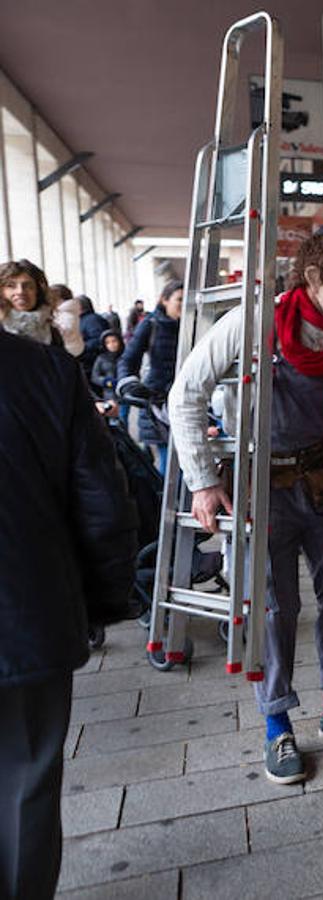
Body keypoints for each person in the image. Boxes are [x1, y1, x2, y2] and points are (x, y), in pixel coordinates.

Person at [169, 224, 323, 786]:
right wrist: (201, 481)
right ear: (315, 277)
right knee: (274, 609)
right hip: (262, 488)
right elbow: (186, 393)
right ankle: (276, 725)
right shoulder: (255, 324)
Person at [0, 329, 138, 899]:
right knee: (25, 783)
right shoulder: (44, 372)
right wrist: (100, 604)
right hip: (24, 617)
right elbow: (103, 503)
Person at [118, 280, 183, 474]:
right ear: (164, 300)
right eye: (179, 299)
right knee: (170, 464)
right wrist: (128, 385)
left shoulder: (197, 323)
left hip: (188, 401)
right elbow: (128, 359)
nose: (185, 304)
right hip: (157, 403)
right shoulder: (151, 323)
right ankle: (165, 504)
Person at [0, 259, 71, 351]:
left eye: (28, 286)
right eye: (11, 286)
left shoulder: (52, 332)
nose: (20, 291)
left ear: (38, 291)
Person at [77, 294, 109, 379]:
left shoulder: (92, 320)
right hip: (89, 362)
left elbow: (99, 339)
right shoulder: (85, 319)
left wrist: (80, 347)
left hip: (92, 363)